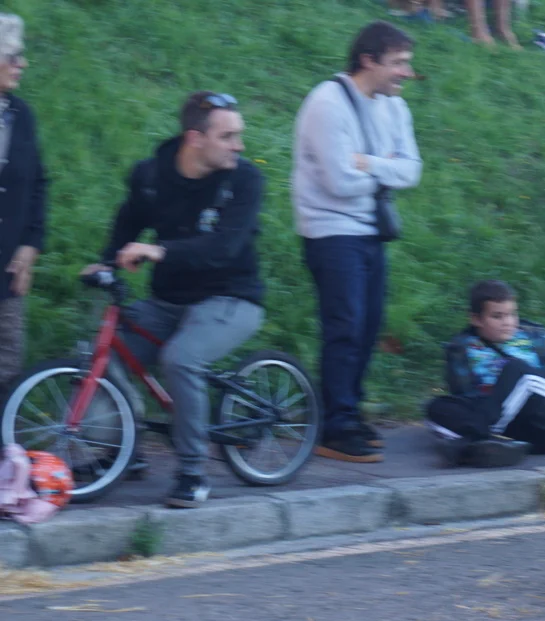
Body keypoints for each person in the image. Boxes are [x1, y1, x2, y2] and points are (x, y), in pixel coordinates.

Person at [78, 91, 265, 509]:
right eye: (228, 136)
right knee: (105, 354)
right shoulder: (151, 176)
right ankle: (122, 450)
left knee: (181, 359)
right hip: (168, 301)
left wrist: (160, 251)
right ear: (195, 138)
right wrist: (106, 262)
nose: (239, 146)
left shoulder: (244, 180)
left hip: (231, 298)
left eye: (238, 135)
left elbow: (225, 247)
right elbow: (129, 220)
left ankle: (192, 473)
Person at [292, 21, 421, 463]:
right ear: (368, 60)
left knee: (367, 326)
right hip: (330, 230)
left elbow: (412, 171)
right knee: (345, 327)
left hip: (370, 231)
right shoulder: (327, 103)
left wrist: (366, 162)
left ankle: (348, 412)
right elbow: (338, 182)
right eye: (398, 62)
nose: (406, 72)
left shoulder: (394, 106)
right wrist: (386, 167)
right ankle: (336, 425)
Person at [425, 280, 545, 467]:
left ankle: (473, 440)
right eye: (497, 316)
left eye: (512, 314)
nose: (507, 322)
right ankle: (496, 446)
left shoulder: (538, 337)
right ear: (476, 319)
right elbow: (466, 396)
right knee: (436, 406)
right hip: (515, 429)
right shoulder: (461, 348)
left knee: (516, 369)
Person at [0, 14, 46, 393]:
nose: (23, 64)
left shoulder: (21, 115)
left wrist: (30, 244)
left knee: (7, 365)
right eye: (13, 56)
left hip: (7, 270)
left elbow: (38, 184)